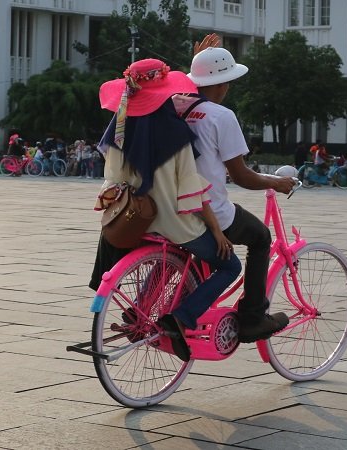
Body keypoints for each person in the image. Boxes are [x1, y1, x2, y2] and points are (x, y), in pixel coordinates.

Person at [92, 58, 241, 362]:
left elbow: (113, 179)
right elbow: (193, 192)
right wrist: (216, 231)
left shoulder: (120, 128)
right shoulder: (175, 132)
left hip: (137, 221)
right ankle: (182, 316)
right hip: (174, 224)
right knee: (230, 266)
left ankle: (138, 312)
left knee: (171, 257)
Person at [179, 42, 295, 343]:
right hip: (209, 208)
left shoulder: (177, 105)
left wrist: (197, 59)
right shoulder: (220, 116)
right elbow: (241, 175)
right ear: (224, 84)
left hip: (173, 204)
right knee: (260, 238)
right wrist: (275, 182)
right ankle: (253, 318)